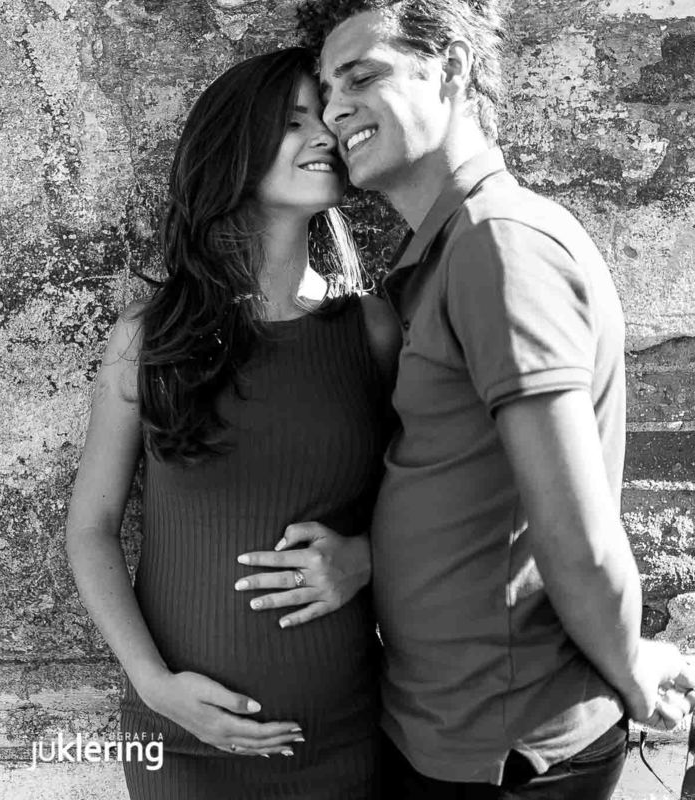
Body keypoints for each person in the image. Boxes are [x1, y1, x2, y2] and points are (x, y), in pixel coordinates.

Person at [247, 0, 695, 797]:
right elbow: (460, 486)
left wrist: (630, 667)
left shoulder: (499, 245)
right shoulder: (448, 251)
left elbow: (578, 535)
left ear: (452, 66)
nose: (336, 109)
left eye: (362, 76)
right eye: (327, 90)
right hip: (444, 726)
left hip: (507, 747)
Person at [65, 47, 399, 800]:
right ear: (234, 151)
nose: (325, 134)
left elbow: (432, 494)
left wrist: (368, 557)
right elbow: (91, 525)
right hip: (182, 746)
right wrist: (154, 685)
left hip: (344, 738)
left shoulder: (371, 329)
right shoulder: (148, 337)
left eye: (328, 118)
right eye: (293, 121)